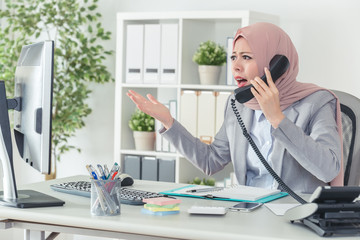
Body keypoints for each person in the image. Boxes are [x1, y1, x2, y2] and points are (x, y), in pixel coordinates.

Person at [127, 22, 343, 193]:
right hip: (247, 212)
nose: (236, 67)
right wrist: (169, 122)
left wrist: (278, 118)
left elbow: (328, 170)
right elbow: (211, 161)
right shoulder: (238, 105)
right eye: (233, 57)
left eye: (247, 57)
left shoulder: (316, 102)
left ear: (277, 64)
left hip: (295, 214)